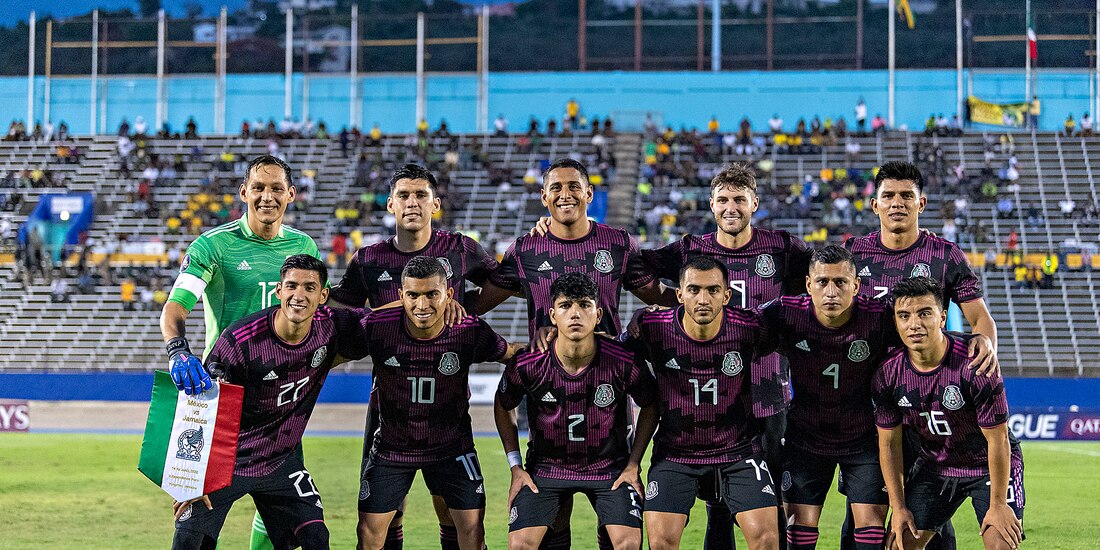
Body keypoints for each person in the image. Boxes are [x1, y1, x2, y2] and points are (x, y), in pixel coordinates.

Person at [473, 157, 675, 549]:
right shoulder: (525, 248)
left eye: (573, 186)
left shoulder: (617, 242)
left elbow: (655, 293)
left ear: (589, 193)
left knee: (616, 518)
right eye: (556, 188)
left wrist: (694, 302)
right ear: (544, 197)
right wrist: (442, 303)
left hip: (610, 383)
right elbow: (482, 300)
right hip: (549, 381)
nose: (565, 194)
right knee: (554, 516)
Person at [640, 162, 811, 549]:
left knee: (772, 504)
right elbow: (633, 266)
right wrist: (673, 304)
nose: (730, 207)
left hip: (768, 396)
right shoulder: (690, 249)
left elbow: (831, 268)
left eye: (738, 199)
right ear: (711, 205)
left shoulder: (782, 247)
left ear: (754, 203)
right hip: (713, 398)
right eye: (722, 200)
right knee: (716, 505)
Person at [330, 163, 500, 550]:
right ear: (390, 204)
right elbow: (339, 310)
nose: (412, 202)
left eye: (421, 195)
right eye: (403, 195)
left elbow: (503, 281)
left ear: (435, 203)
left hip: (447, 404)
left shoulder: (459, 248)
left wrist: (467, 308)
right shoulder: (369, 260)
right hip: (388, 403)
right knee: (388, 509)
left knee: (449, 509)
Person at [162, 154, 321, 550]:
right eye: (260, 188)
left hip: (281, 400)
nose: (267, 197)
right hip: (223, 397)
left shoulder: (303, 246)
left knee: (281, 512)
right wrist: (178, 351)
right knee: (196, 519)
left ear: (291, 195)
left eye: (276, 189)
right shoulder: (213, 246)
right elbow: (176, 307)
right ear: (244, 192)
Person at [843, 160, 999, 550]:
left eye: (906, 196)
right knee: (868, 512)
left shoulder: (944, 254)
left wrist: (985, 344)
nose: (897, 203)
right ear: (874, 204)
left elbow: (980, 318)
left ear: (921, 203)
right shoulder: (852, 255)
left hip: (929, 404)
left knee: (926, 513)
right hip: (872, 402)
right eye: (888, 196)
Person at [170, 255, 371, 550]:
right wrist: (190, 476)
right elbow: (199, 409)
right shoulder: (240, 340)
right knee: (190, 539)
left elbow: (388, 322)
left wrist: (442, 306)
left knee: (314, 537)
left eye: (309, 288)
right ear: (279, 291)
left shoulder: (334, 327)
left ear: (324, 295)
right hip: (227, 460)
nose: (299, 295)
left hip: (280, 460)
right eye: (291, 286)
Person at [357, 257, 518, 550]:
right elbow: (329, 348)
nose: (422, 305)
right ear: (401, 296)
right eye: (413, 295)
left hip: (452, 446)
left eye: (432, 294)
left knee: (472, 530)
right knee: (369, 535)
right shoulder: (376, 326)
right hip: (393, 447)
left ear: (449, 295)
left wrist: (559, 342)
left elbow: (512, 354)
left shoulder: (468, 329)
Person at [624, 257, 783, 550]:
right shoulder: (652, 327)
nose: (703, 299)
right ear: (679, 294)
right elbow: (605, 351)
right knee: (660, 543)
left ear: (726, 295)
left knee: (767, 541)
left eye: (712, 290)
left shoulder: (749, 327)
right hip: (675, 452)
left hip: (738, 451)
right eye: (694, 290)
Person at [495, 272, 657, 549]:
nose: (575, 314)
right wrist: (515, 466)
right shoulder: (528, 363)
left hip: (609, 469)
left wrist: (633, 464)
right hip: (547, 468)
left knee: (628, 544)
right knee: (520, 544)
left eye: (584, 305)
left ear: (598, 314)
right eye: (566, 305)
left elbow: (652, 403)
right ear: (552, 315)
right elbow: (503, 405)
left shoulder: (622, 360)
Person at [872, 277, 1024, 550]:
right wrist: (899, 507)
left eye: (924, 313)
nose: (914, 324)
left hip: (985, 466)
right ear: (895, 321)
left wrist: (999, 504)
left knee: (1000, 543)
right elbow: (889, 444)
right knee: (899, 545)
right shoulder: (888, 375)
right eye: (904, 315)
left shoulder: (976, 363)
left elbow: (998, 439)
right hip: (935, 467)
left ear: (942, 318)